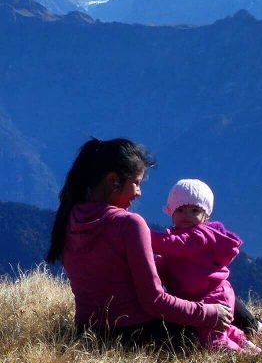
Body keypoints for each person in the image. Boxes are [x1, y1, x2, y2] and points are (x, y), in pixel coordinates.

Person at [46, 138, 231, 348]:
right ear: (113, 180)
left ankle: (255, 325)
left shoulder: (71, 216)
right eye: (136, 183)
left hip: (89, 332)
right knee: (217, 286)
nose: (139, 192)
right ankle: (255, 327)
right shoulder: (128, 224)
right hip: (138, 336)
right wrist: (208, 313)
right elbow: (155, 302)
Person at [151, 179, 260, 353]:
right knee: (221, 329)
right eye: (180, 209)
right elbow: (169, 261)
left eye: (194, 210)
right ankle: (247, 345)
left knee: (212, 341)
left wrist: (140, 235)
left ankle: (245, 358)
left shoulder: (198, 236)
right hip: (209, 294)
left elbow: (171, 246)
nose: (187, 215)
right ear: (171, 212)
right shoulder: (183, 235)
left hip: (212, 297)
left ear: (206, 215)